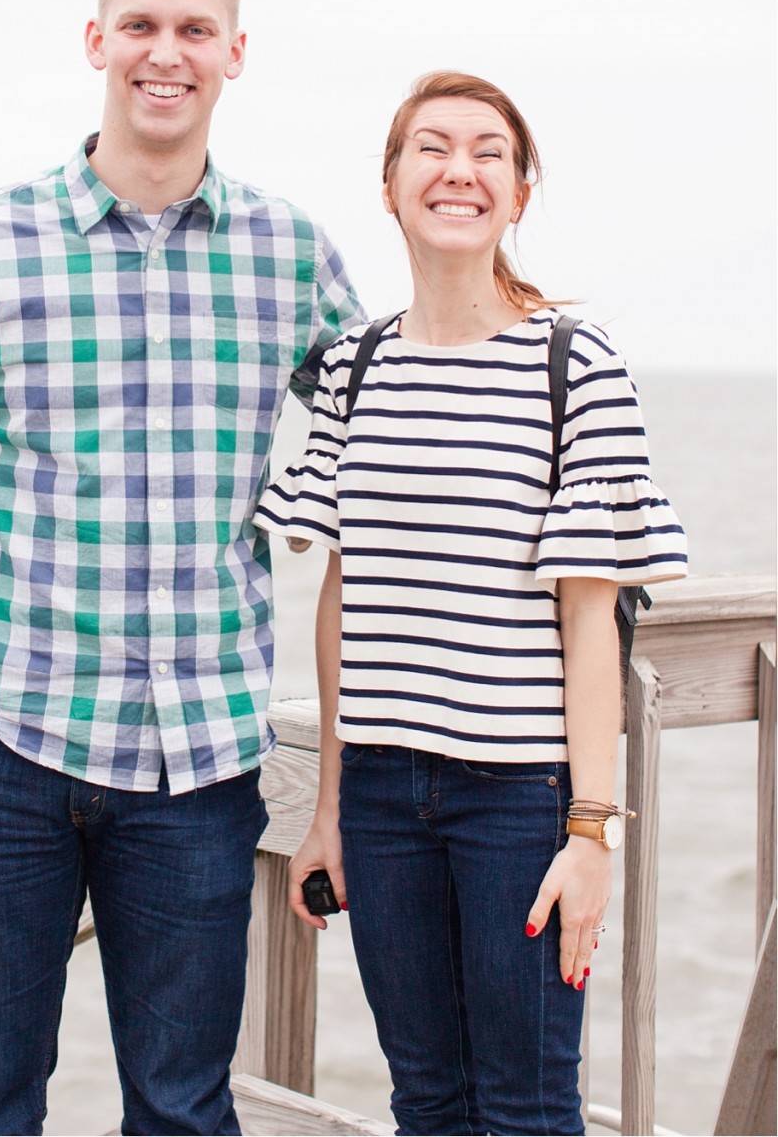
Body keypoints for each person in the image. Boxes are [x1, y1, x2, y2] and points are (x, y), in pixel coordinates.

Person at [0, 0, 361, 1135]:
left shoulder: (290, 256)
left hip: (199, 764)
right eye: (139, 24)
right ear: (95, 40)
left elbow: (394, 434)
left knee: (183, 1111)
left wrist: (563, 515)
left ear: (235, 50)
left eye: (192, 28)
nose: (163, 52)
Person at [255, 72, 687, 1135]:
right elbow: (342, 593)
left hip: (517, 800)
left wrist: (588, 832)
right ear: (391, 186)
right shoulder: (353, 367)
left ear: (518, 192)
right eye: (431, 148)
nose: (459, 169)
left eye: (488, 151)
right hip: (381, 800)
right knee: (427, 1103)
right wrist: (327, 805)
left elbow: (589, 621)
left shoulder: (572, 365)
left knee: (529, 1105)